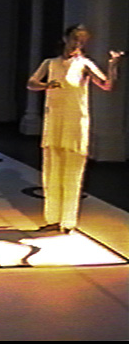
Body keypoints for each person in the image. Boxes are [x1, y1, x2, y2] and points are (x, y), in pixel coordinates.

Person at [27, 24, 124, 233]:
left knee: (72, 172)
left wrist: (113, 65)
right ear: (65, 38)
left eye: (81, 41)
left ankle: (68, 222)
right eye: (74, 39)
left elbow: (107, 85)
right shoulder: (50, 63)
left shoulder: (85, 64)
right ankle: (52, 218)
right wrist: (46, 85)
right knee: (52, 171)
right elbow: (31, 83)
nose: (77, 44)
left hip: (75, 124)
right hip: (54, 122)